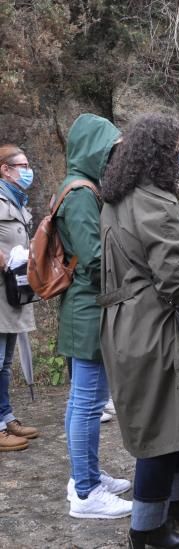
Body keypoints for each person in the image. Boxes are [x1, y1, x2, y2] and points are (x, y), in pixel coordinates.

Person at [99, 113, 179, 548]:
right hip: (154, 327)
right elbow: (172, 274)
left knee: (174, 418)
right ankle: (147, 529)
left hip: (142, 323)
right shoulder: (152, 201)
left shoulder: (121, 196)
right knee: (159, 428)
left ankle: (176, 502)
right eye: (178, 145)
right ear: (161, 152)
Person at [56, 114, 132, 519]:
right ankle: (86, 493)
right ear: (92, 150)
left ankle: (85, 476)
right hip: (88, 310)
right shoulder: (81, 194)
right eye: (109, 151)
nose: (113, 160)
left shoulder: (81, 189)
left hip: (88, 308)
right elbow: (95, 258)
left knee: (85, 401)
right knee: (87, 403)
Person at [0, 145, 38, 451]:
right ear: (5, 169)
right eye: (22, 165)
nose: (28, 171)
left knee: (5, 361)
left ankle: (6, 416)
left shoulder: (15, 199)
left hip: (13, 289)